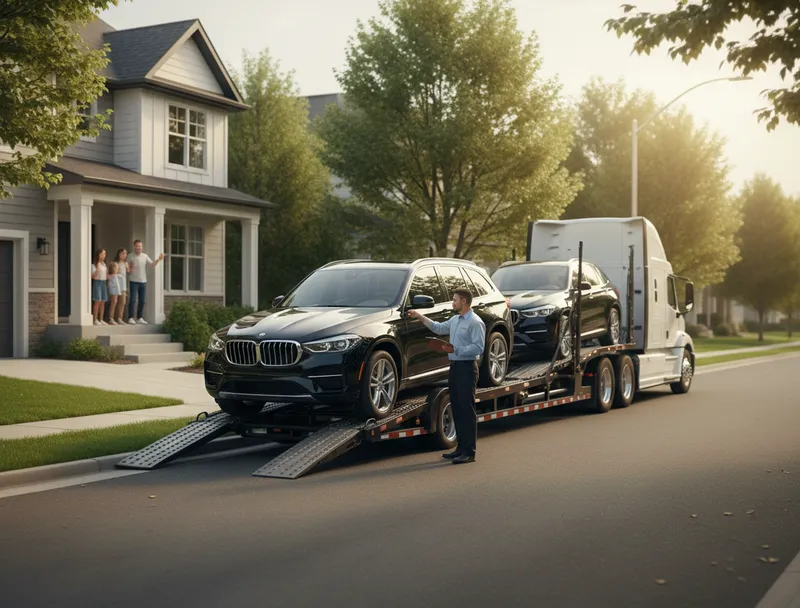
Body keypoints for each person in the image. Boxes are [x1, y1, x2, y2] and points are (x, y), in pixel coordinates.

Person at [408, 288, 485, 464]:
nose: (453, 303)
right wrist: (420, 317)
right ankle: (460, 449)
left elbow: (479, 347)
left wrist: (456, 349)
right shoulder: (455, 319)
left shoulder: (475, 322)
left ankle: (469, 452)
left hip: (467, 368)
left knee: (466, 410)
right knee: (457, 408)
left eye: (455, 300)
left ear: (464, 301)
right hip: (455, 367)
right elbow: (438, 328)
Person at [127, 239, 164, 325]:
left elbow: (152, 265)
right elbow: (127, 270)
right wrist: (130, 268)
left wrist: (159, 259)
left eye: (140, 246)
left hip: (143, 281)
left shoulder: (145, 256)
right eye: (137, 246)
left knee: (142, 300)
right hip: (133, 281)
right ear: (134, 246)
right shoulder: (130, 256)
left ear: (142, 247)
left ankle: (140, 317)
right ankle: (131, 317)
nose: (139, 248)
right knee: (132, 300)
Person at [90, 248, 108, 326]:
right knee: (97, 301)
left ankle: (101, 319)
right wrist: (97, 267)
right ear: (98, 255)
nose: (103, 256)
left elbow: (106, 275)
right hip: (97, 282)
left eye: (104, 254)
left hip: (104, 282)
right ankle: (95, 319)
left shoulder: (104, 264)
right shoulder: (94, 265)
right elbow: (93, 276)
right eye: (102, 254)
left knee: (103, 301)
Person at [112, 248, 129, 324]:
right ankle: (111, 318)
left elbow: (128, 271)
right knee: (114, 302)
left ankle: (120, 318)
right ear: (119, 254)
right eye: (122, 253)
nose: (124, 255)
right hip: (116, 284)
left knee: (123, 302)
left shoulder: (125, 263)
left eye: (125, 254)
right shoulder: (115, 263)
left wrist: (129, 267)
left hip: (123, 285)